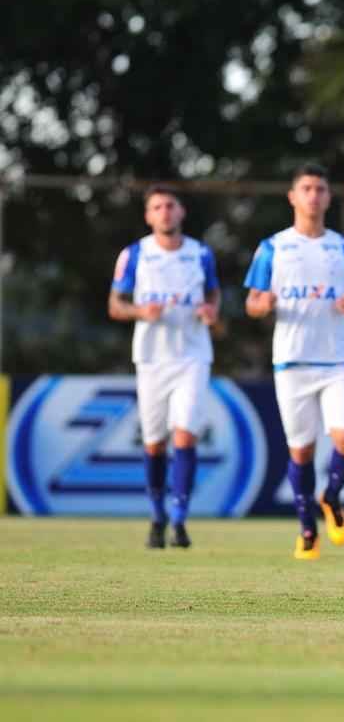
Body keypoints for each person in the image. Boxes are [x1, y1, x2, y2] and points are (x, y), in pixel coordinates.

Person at [244, 164, 344, 560]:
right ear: (293, 197)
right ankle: (306, 527)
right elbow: (253, 302)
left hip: (338, 359)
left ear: (328, 198)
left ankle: (330, 496)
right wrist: (263, 304)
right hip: (292, 361)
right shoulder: (272, 247)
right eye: (306, 189)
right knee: (302, 451)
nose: (313, 195)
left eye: (320, 189)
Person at [109, 185, 220, 550]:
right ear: (148, 215)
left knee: (185, 434)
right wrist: (141, 311)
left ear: (182, 211)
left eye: (170, 206)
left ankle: (180, 519)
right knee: (155, 443)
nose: (165, 212)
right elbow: (115, 304)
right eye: (157, 207)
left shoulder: (200, 253)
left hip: (192, 356)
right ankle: (156, 515)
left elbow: (213, 294)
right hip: (152, 358)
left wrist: (210, 311)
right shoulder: (135, 254)